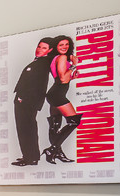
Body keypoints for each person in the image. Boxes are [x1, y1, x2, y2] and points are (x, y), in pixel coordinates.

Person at [11, 37, 56, 166]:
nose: (39, 50)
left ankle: (30, 158)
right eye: (39, 46)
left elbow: (35, 85)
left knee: (26, 129)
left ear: (50, 50)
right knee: (27, 128)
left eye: (44, 48)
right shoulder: (40, 62)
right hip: (27, 100)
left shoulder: (42, 64)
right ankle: (31, 156)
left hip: (26, 101)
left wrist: (22, 98)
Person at [42, 35, 83, 163]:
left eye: (67, 44)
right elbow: (63, 78)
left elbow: (62, 78)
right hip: (58, 94)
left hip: (54, 93)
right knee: (74, 121)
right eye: (61, 45)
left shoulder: (54, 58)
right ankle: (52, 149)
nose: (65, 47)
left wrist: (72, 76)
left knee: (55, 124)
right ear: (56, 47)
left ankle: (57, 153)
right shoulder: (62, 57)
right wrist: (73, 66)